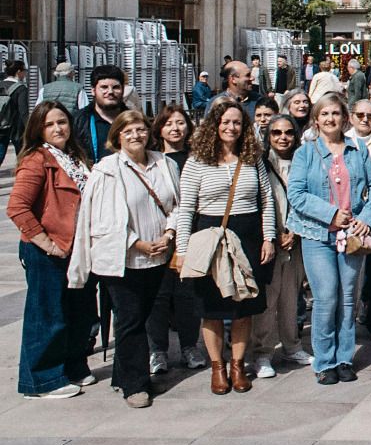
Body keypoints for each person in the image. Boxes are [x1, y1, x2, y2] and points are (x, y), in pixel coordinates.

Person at [66, 110, 177, 407]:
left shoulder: (163, 163)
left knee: (144, 315)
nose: (135, 136)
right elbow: (103, 219)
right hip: (123, 259)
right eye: (127, 131)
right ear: (116, 137)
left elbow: (177, 205)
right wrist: (137, 243)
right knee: (129, 320)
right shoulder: (107, 169)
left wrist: (167, 235)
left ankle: (121, 374)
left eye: (140, 129)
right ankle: (135, 384)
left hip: (159, 255)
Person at [173, 98, 277, 393]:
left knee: (245, 306)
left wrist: (268, 237)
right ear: (215, 125)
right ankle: (218, 367)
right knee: (212, 308)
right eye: (226, 122)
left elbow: (266, 200)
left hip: (248, 235)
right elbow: (186, 209)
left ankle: (238, 364)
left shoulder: (252, 158)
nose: (231, 127)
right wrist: (182, 252)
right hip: (210, 237)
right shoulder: (197, 160)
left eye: (237, 122)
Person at [289, 95, 371, 384]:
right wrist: (331, 214)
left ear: (345, 118)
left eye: (336, 113)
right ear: (316, 119)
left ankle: (345, 358)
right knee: (326, 297)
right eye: (324, 114)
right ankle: (325, 360)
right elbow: (297, 194)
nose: (330, 119)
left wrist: (365, 219)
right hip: (318, 233)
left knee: (347, 298)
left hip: (352, 236)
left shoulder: (358, 150)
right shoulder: (305, 154)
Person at [9, 102, 97, 398]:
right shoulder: (37, 159)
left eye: (62, 122)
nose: (58, 128)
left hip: (78, 248)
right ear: (38, 129)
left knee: (78, 312)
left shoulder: (73, 155)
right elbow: (17, 207)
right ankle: (42, 379)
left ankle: (73, 367)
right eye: (50, 125)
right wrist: (47, 243)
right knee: (46, 315)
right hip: (48, 250)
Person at [146, 106, 206, 373]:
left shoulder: (196, 158)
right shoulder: (151, 160)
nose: (175, 128)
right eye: (169, 123)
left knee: (188, 295)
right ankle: (157, 350)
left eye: (180, 123)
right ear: (159, 128)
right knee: (157, 295)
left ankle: (189, 346)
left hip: (190, 234)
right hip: (158, 235)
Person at [252, 114, 311, 377]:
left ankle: (292, 345)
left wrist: (295, 232)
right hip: (271, 240)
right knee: (267, 300)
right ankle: (263, 352)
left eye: (288, 132)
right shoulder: (260, 165)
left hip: (296, 240)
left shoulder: (304, 162)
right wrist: (275, 235)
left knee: (291, 296)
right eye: (276, 133)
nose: (283, 137)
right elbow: (259, 205)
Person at [71, 64, 127, 163]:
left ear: (122, 90)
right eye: (104, 87)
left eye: (116, 87)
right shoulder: (78, 121)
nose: (110, 91)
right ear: (93, 91)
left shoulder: (133, 120)